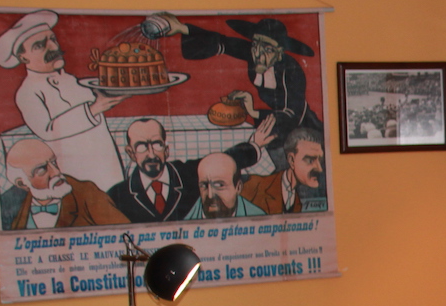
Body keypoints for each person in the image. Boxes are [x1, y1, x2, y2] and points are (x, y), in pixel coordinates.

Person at [144, 12, 321, 167]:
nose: (258, 54)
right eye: (255, 46)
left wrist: (254, 111)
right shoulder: (255, 56)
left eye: (267, 49)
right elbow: (223, 42)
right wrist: (183, 29)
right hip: (272, 123)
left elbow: (290, 115)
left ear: (280, 53)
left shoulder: (293, 72)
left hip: (301, 132)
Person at [0, 10, 125, 188]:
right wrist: (93, 109)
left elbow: (94, 104)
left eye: (53, 40)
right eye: (40, 45)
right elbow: (47, 130)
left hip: (106, 164)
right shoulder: (27, 92)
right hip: (74, 171)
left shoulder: (71, 80)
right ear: (23, 57)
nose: (54, 48)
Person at [107, 116, 276, 223]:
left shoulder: (188, 175)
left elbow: (223, 160)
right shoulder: (117, 196)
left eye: (157, 144)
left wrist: (254, 146)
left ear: (166, 149)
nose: (151, 154)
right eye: (142, 146)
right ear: (130, 153)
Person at [0, 138, 128, 230]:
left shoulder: (87, 193)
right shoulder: (8, 203)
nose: (56, 172)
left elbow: (125, 234)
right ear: (22, 184)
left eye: (53, 162)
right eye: (42, 169)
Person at [242, 126, 327, 214]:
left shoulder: (297, 203)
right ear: (291, 160)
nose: (319, 169)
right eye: (310, 160)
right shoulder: (256, 186)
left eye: (320, 161)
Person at [187, 152, 266, 219]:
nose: (210, 195)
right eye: (204, 185)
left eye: (219, 185)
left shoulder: (259, 219)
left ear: (238, 187)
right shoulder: (186, 219)